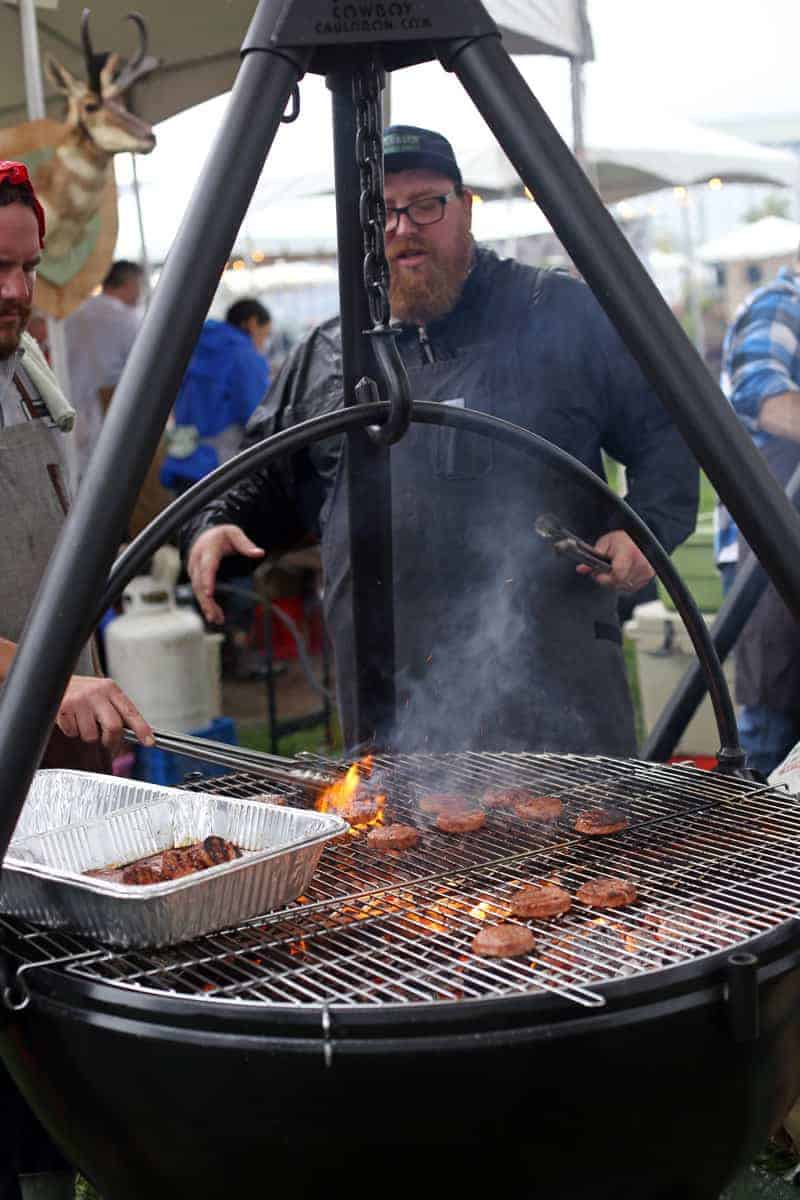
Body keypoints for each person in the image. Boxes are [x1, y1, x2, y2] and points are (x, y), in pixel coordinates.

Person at [183, 125, 698, 754]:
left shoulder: (557, 313)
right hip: (388, 703)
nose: (405, 227)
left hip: (555, 693)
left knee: (581, 852)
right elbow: (263, 482)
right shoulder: (327, 355)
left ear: (466, 207)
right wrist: (215, 522)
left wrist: (645, 526)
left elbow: (666, 438)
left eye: (426, 203)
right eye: (384, 212)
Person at [0, 159, 154, 1200]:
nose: (12, 289)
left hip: (52, 775)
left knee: (45, 1015)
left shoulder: (26, 369)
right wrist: (43, 680)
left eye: (22, 267)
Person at [713, 247, 800, 776]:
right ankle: (744, 850)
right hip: (764, 566)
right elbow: (758, 392)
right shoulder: (780, 306)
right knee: (769, 730)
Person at [161, 298, 271, 678]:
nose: (263, 342)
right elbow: (261, 416)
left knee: (191, 557)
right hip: (221, 472)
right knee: (230, 559)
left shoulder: (191, 345)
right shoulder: (242, 355)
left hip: (183, 466)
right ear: (252, 322)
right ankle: (233, 655)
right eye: (264, 333)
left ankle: (194, 651)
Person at [64, 258, 143, 483]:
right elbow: (143, 365)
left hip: (72, 405)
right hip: (114, 407)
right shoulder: (128, 319)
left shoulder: (75, 314)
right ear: (130, 284)